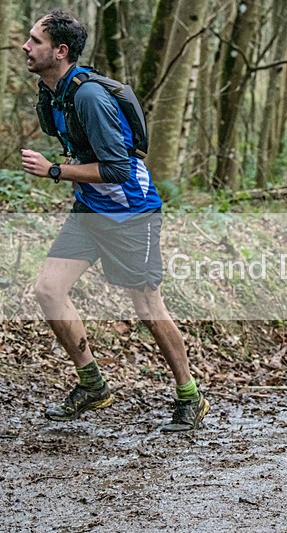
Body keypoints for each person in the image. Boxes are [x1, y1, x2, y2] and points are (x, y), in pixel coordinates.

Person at [20, 10, 209, 431]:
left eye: (35, 40)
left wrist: (55, 170)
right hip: (90, 209)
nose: (26, 46)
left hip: (131, 213)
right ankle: (92, 385)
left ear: (60, 51)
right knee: (49, 290)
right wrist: (69, 166)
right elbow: (76, 147)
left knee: (146, 306)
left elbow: (119, 169)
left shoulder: (89, 96)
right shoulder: (51, 93)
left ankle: (190, 396)